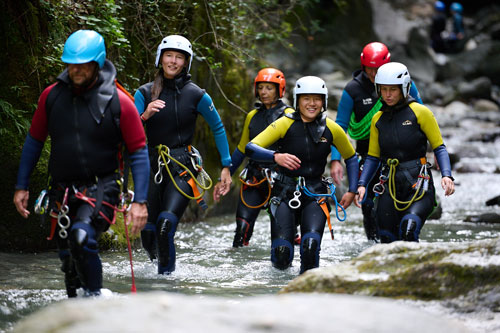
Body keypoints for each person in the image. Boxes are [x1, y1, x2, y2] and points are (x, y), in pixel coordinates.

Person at [13, 30, 150, 297]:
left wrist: (140, 201)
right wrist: (22, 185)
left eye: (83, 64)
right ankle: (79, 309)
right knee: (67, 257)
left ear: (97, 63)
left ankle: (95, 301)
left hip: (102, 186)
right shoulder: (51, 97)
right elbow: (34, 142)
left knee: (82, 239)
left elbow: (139, 151)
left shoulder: (120, 102)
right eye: (71, 64)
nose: (76, 70)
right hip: (61, 188)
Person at [134, 35, 232, 274]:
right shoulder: (144, 93)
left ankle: (167, 282)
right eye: (169, 55)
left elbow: (217, 127)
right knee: (148, 235)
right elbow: (128, 132)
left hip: (183, 167)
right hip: (152, 166)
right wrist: (144, 115)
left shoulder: (196, 94)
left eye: (179, 57)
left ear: (186, 62)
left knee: (165, 227)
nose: (173, 61)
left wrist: (226, 166)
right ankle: (161, 271)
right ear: (160, 58)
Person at [245, 76, 359, 274]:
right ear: (298, 100)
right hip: (284, 192)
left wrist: (352, 190)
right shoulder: (284, 124)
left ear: (323, 101)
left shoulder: (331, 128)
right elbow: (251, 147)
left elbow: (351, 158)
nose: (312, 103)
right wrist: (276, 156)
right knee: (281, 254)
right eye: (306, 98)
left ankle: (308, 293)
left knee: (310, 248)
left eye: (317, 98)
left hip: (315, 193)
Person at [330, 42, 423, 241]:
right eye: (369, 69)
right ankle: (373, 243)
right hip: (368, 155)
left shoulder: (404, 83)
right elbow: (340, 126)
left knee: (400, 201)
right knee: (368, 204)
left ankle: (401, 238)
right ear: (363, 67)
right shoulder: (353, 89)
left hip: (398, 154)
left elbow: (421, 115)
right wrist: (336, 160)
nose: (373, 74)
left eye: (377, 69)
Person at [355, 62, 455, 243]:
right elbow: (372, 157)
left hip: (418, 184)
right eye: (383, 89)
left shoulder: (420, 112)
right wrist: (361, 184)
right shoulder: (377, 119)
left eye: (393, 89)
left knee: (408, 231)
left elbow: (439, 147)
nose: (387, 94)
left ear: (404, 88)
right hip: (389, 185)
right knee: (385, 240)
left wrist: (447, 175)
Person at [213, 68, 294, 247]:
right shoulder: (252, 116)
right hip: (254, 178)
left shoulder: (289, 115)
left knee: (282, 238)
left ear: (280, 90)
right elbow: (242, 149)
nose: (263, 92)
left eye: (269, 88)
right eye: (261, 88)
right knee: (241, 231)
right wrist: (224, 175)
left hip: (281, 181)